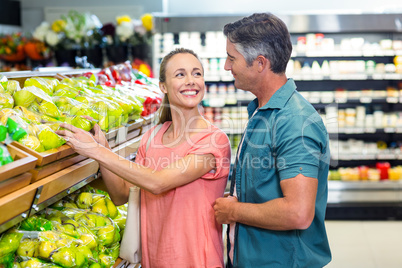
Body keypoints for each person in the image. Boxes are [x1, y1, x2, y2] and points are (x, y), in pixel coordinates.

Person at [57, 48, 231, 268]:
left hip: (197, 262)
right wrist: (102, 148)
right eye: (180, 74)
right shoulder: (152, 137)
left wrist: (96, 151)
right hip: (154, 261)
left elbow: (157, 182)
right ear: (163, 87)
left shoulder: (214, 140)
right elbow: (121, 194)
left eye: (197, 73)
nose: (191, 81)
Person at [213, 13, 332, 267]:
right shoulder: (261, 110)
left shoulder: (294, 121)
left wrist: (233, 211)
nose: (226, 66)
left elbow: (298, 212)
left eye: (231, 58)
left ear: (259, 63)